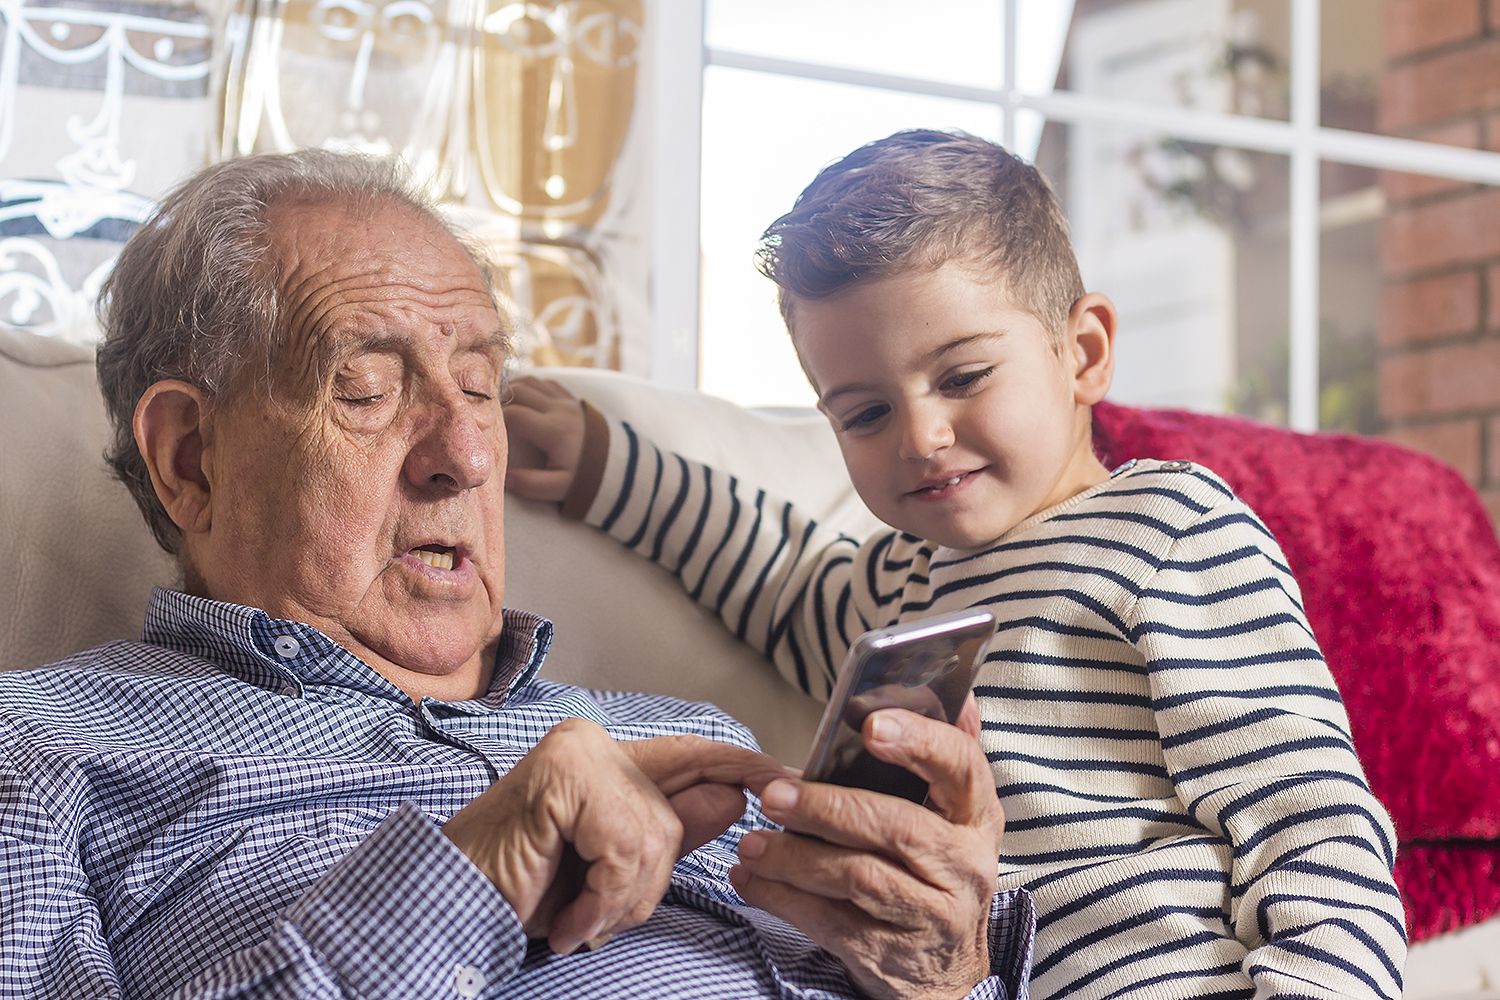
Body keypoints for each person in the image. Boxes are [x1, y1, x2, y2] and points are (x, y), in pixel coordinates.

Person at [0, 149, 1039, 999]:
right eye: (367, 389)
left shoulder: (694, 743)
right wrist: (467, 883)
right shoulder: (42, 753)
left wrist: (945, 970)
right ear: (191, 458)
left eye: (480, 386)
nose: (466, 454)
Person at [503, 129, 1407, 999]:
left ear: (1083, 352)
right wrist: (608, 470)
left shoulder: (1170, 528)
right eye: (866, 414)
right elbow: (773, 575)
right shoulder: (897, 583)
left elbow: (1309, 817)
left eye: (964, 377)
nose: (922, 437)